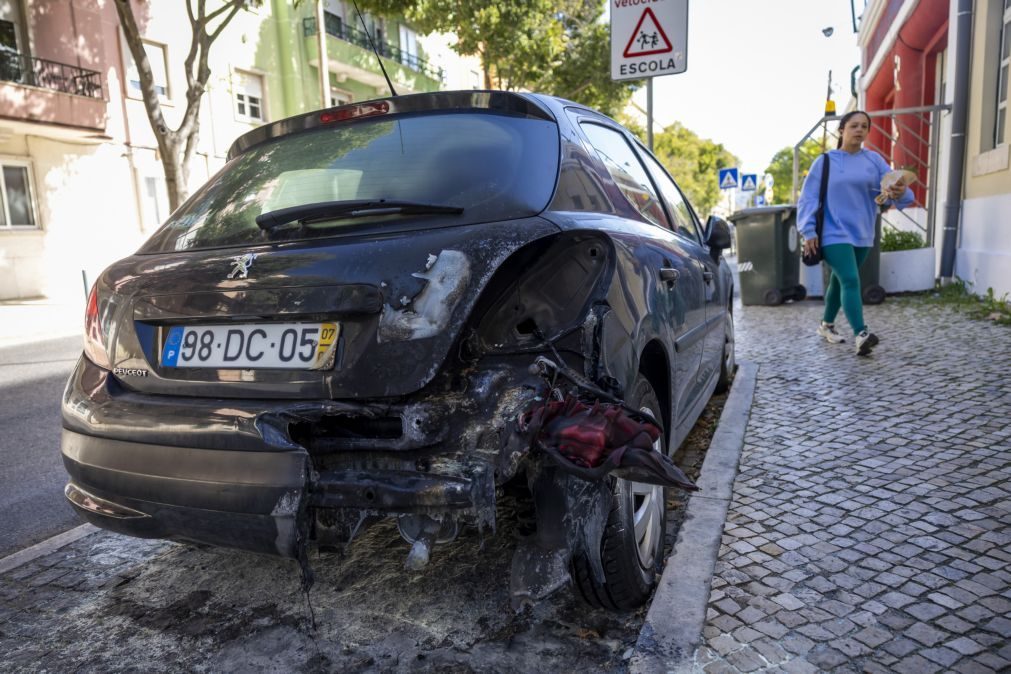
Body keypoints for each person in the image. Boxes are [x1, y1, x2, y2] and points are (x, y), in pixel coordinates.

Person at [797, 110, 914, 356]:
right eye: (854, 125)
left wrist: (899, 191)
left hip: (862, 231)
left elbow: (900, 191)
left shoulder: (874, 160)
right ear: (842, 130)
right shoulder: (825, 161)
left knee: (841, 281)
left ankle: (826, 325)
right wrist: (808, 232)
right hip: (832, 232)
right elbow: (808, 198)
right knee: (850, 279)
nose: (859, 130)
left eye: (864, 126)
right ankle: (861, 334)